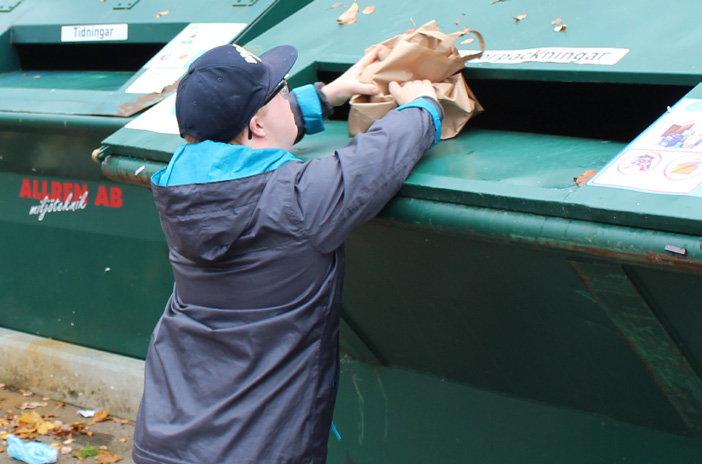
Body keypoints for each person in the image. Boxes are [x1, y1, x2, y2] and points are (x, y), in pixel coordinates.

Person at [133, 42, 442, 464]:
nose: (288, 92)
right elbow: (378, 158)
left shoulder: (179, 184)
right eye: (281, 88)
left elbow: (247, 139)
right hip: (256, 450)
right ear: (257, 122)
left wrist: (327, 95)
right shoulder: (298, 200)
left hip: (167, 441)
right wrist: (422, 107)